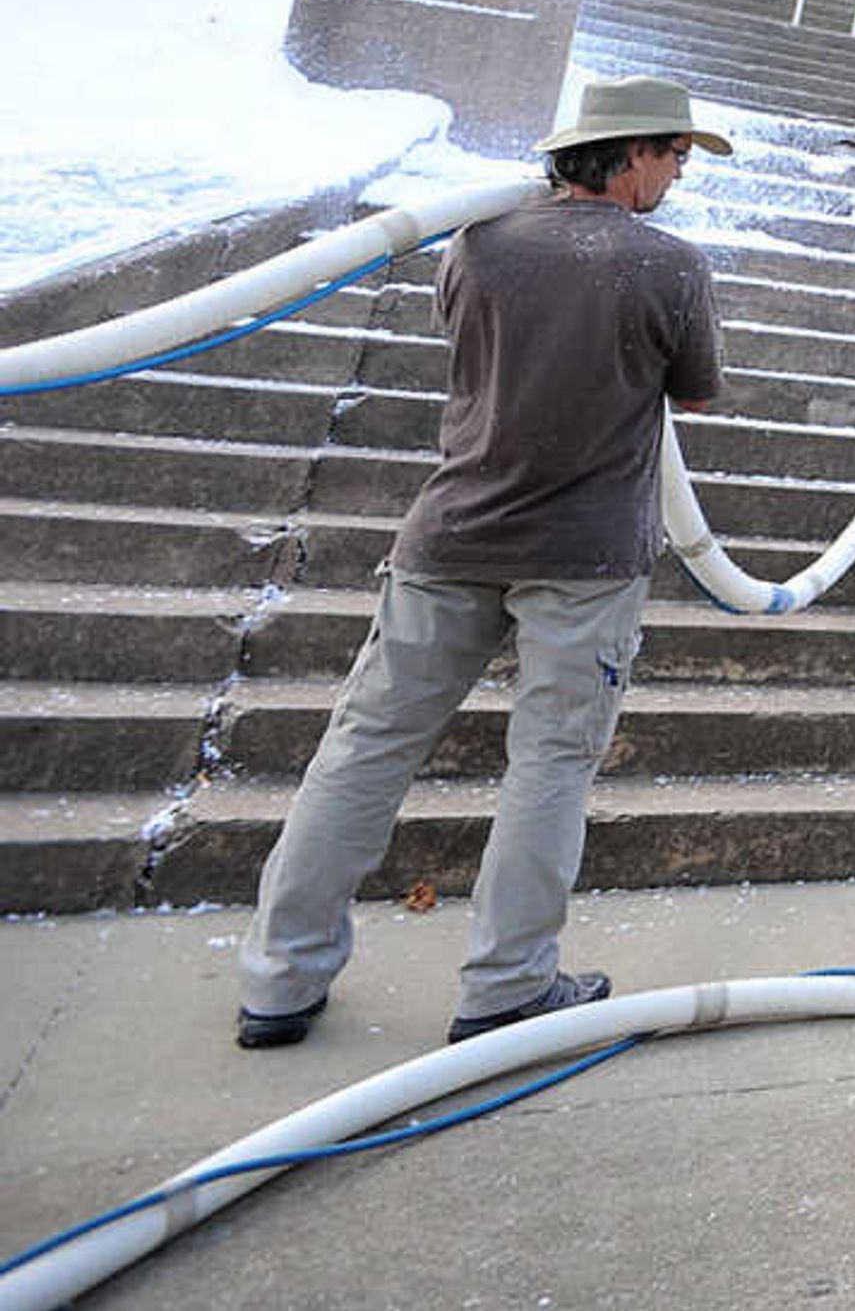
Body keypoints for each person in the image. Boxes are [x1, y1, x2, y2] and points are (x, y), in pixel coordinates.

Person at [234, 76, 729, 1050]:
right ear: (630, 155)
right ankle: (507, 983)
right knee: (549, 765)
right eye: (675, 154)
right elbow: (697, 394)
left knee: (365, 748)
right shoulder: (667, 266)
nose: (678, 173)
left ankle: (278, 981)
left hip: (451, 532)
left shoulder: (480, 242)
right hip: (585, 557)